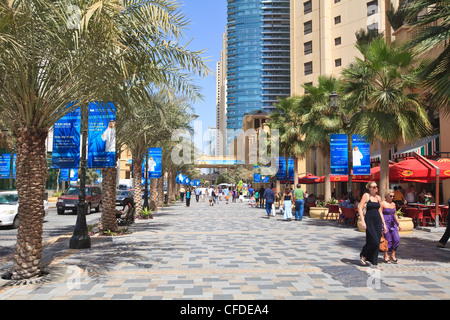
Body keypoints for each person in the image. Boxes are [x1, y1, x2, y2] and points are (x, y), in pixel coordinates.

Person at [358, 181, 387, 269]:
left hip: (377, 221)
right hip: (369, 220)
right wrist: (363, 221)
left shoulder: (378, 198)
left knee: (377, 242)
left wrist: (384, 224)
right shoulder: (366, 196)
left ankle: (375, 263)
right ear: (369, 188)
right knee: (373, 241)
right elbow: (360, 208)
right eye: (373, 187)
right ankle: (363, 254)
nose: (375, 188)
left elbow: (380, 212)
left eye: (376, 187)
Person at [381, 190, 401, 264]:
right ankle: (386, 255)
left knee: (397, 239)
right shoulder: (382, 203)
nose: (392, 197)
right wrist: (383, 224)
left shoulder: (393, 204)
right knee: (387, 240)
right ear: (386, 196)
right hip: (385, 223)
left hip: (392, 223)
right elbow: (380, 214)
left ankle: (392, 254)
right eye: (390, 196)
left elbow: (395, 214)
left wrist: (398, 224)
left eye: (393, 196)